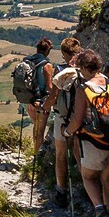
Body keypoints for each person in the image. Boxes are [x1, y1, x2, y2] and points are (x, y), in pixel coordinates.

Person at [62, 48, 109, 217]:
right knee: (108, 180)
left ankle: (99, 210)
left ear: (83, 67)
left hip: (94, 141)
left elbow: (77, 119)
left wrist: (67, 132)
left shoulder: (84, 89)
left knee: (89, 176)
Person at [41, 37, 82, 207]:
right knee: (80, 155)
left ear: (64, 53)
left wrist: (45, 107)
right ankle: (88, 188)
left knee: (60, 155)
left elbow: (53, 96)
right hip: (82, 118)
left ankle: (61, 191)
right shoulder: (85, 70)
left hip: (63, 118)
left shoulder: (60, 71)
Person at [23, 37, 57, 155]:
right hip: (40, 102)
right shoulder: (46, 65)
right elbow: (50, 86)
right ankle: (36, 156)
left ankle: (35, 152)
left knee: (36, 127)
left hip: (28, 100)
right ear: (48, 51)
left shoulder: (28, 61)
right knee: (40, 130)